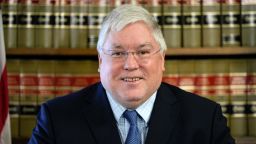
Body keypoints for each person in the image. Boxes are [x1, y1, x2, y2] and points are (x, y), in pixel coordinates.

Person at [29, 4, 235, 144]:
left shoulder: (205, 119)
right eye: (118, 53)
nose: (130, 64)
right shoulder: (56, 119)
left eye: (143, 52)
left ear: (162, 59)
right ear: (101, 61)